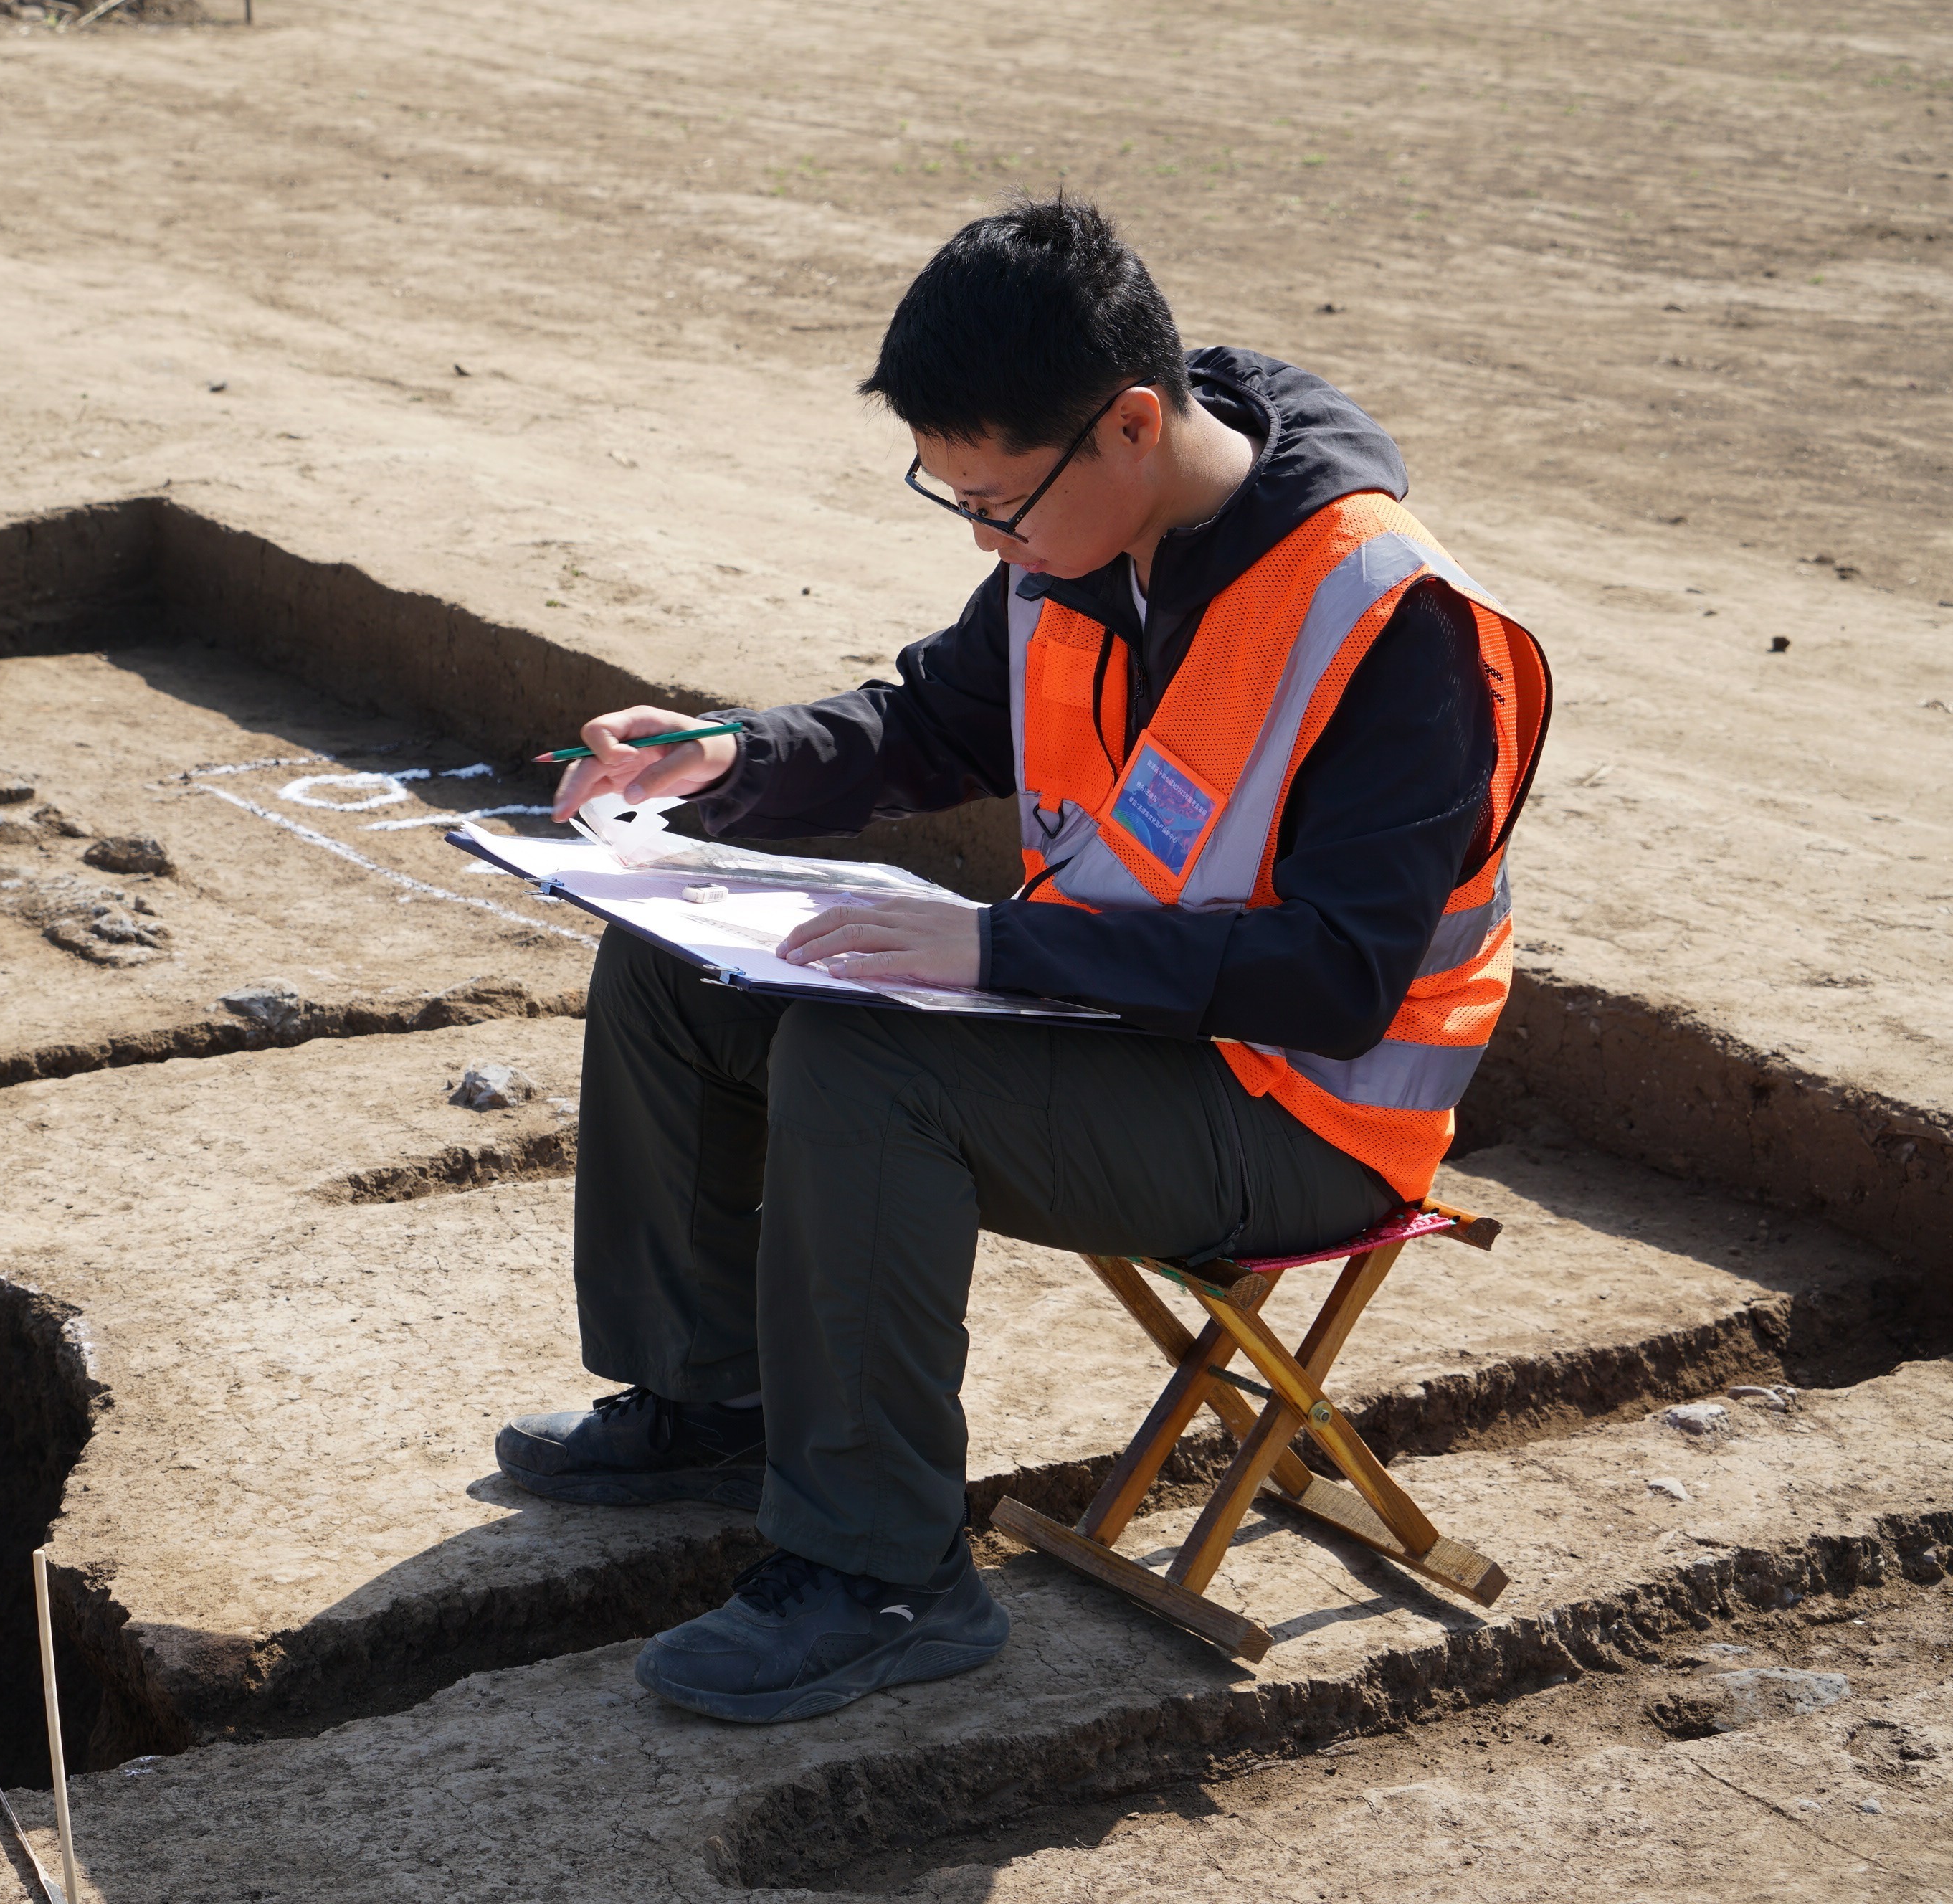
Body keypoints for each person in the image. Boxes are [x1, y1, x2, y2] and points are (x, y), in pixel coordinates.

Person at [494, 196, 1549, 1724]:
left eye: (997, 499)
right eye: (956, 497)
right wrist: (725, 757)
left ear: (1130, 424)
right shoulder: (1085, 530)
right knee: (678, 965)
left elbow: (1338, 979)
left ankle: (884, 1576)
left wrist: (993, 945)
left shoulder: (1391, 620)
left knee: (869, 1068)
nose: (988, 539)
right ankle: (710, 1396)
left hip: (1302, 1112)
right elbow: (930, 719)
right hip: (1113, 1026)